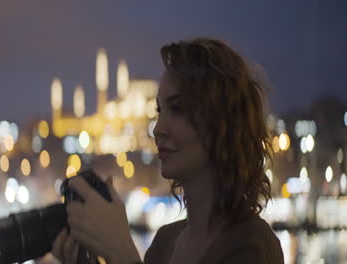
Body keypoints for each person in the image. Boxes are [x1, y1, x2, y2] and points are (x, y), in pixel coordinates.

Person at [51, 38, 284, 264]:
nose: (158, 130)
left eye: (177, 108)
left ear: (221, 123)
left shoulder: (254, 246)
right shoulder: (165, 242)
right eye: (160, 111)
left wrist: (121, 251)